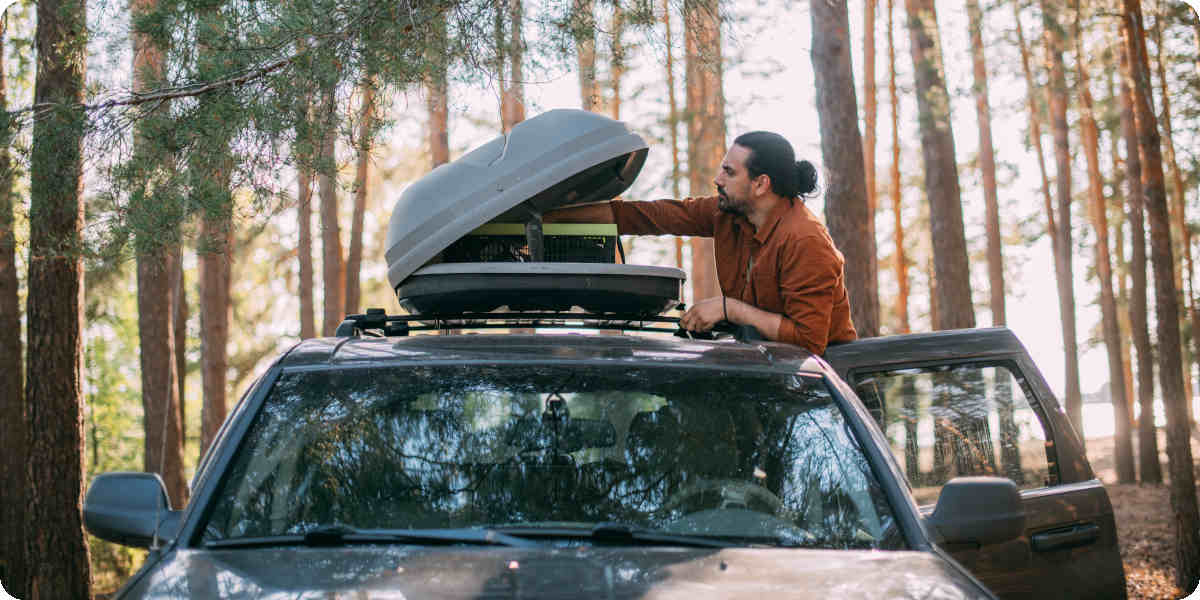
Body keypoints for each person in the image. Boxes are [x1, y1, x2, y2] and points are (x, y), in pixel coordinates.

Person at [545, 131, 856, 355]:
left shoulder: (805, 241)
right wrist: (543, 215)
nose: (717, 179)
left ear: (761, 184)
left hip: (825, 386)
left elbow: (808, 341)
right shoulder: (726, 213)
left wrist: (729, 309)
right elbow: (649, 216)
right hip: (766, 367)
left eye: (729, 172)